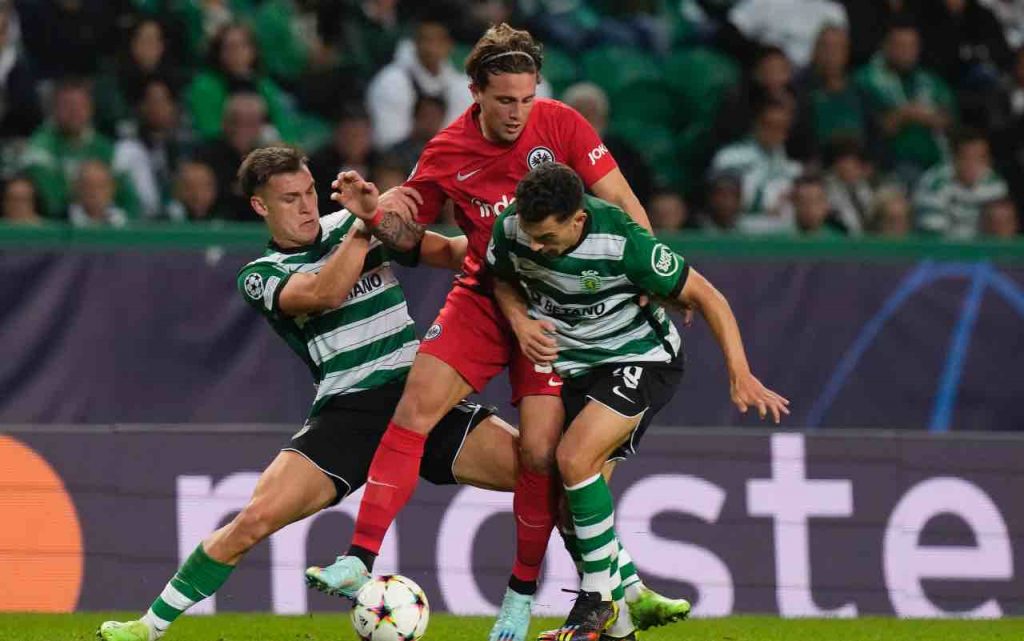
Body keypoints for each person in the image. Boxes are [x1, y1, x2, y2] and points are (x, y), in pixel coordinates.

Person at [302, 23, 689, 641]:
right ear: (474, 92)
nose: (517, 113)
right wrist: (376, 214)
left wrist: (654, 273)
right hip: (485, 298)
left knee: (542, 454)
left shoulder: (563, 125)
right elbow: (407, 233)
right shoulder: (449, 150)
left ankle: (520, 599)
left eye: (526, 98)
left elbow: (624, 202)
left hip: (554, 312)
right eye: (504, 100)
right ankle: (359, 558)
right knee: (415, 406)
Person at [95, 147, 522, 641]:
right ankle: (146, 628)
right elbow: (323, 294)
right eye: (289, 199)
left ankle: (611, 594)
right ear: (261, 208)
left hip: (420, 392)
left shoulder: (354, 221)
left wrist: (461, 236)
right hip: (348, 412)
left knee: (539, 473)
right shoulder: (261, 273)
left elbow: (447, 253)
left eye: (309, 194)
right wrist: (366, 226)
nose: (304, 207)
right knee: (252, 520)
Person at [486, 162, 788, 640]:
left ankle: (596, 603)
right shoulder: (512, 229)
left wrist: (740, 373)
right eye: (531, 236)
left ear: (578, 220)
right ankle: (626, 613)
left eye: (547, 237)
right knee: (570, 504)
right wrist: (521, 322)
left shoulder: (625, 242)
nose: (537, 247)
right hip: (573, 367)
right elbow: (500, 276)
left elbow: (709, 297)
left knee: (573, 458)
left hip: (640, 359)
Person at [914, 128, 1009, 238]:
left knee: (1001, 215)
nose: (973, 165)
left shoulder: (995, 184)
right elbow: (932, 232)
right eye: (967, 158)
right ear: (955, 159)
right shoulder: (934, 183)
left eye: (980, 158)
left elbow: (1001, 229)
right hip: (942, 250)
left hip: (982, 249)